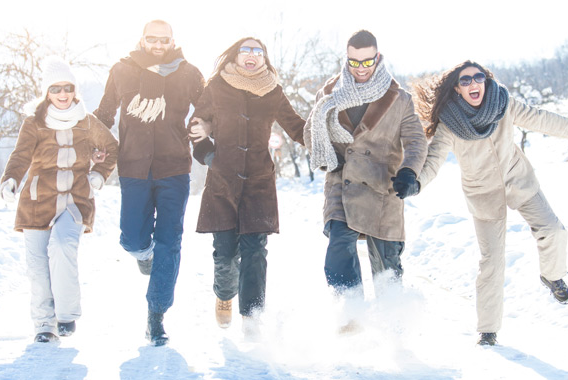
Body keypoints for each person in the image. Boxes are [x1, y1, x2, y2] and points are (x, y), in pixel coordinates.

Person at [414, 60, 568, 346]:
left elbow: (541, 118)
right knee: (492, 262)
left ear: (485, 79)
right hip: (483, 193)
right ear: (457, 89)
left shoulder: (502, 102)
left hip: (518, 179)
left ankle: (553, 277)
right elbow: (433, 161)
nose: (473, 84)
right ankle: (488, 330)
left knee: (554, 230)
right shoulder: (450, 124)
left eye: (477, 77)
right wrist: (416, 183)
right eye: (465, 81)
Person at [303, 30, 427, 328]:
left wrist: (409, 171)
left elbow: (416, 141)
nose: (361, 68)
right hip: (341, 182)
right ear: (346, 60)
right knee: (338, 252)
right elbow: (314, 132)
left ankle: (393, 326)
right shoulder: (329, 95)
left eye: (367, 61)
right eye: (354, 62)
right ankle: (351, 318)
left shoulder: (399, 98)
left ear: (378, 57)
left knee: (386, 266)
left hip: (383, 187)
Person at [94, 20, 204, 346]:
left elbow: (212, 107)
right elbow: (104, 112)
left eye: (164, 40)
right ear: (142, 39)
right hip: (133, 168)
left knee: (170, 242)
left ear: (173, 40)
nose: (158, 45)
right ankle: (143, 254)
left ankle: (156, 316)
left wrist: (207, 130)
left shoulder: (188, 73)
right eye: (152, 39)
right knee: (131, 239)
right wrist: (95, 144)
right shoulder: (122, 71)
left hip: (174, 170)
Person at [189, 37, 305, 337]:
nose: (251, 55)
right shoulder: (216, 87)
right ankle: (224, 294)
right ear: (236, 56)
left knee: (256, 251)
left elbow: (296, 127)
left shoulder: (273, 91)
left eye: (258, 51)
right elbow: (195, 128)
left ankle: (252, 316)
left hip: (258, 182)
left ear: (264, 58)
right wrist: (211, 156)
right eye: (246, 50)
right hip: (222, 180)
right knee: (225, 253)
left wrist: (326, 139)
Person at [0, 56, 118, 343]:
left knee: (64, 243)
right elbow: (21, 155)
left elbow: (111, 148)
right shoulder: (34, 123)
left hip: (75, 199)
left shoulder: (87, 122)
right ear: (47, 93)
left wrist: (99, 175)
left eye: (67, 88)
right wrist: (11, 178)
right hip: (37, 200)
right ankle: (44, 325)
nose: (63, 95)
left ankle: (66, 315)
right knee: (37, 265)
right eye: (56, 89)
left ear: (75, 90)